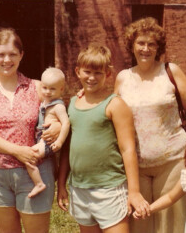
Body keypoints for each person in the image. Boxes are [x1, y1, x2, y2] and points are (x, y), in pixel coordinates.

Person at [114, 17, 186, 233]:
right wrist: (87, 94)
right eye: (141, 43)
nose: (145, 49)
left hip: (172, 160)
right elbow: (110, 113)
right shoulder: (123, 78)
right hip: (136, 167)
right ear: (132, 46)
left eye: (151, 44)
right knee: (139, 222)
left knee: (170, 225)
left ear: (158, 48)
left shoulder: (170, 71)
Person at [0, 28, 60, 233]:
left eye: (12, 54)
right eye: (0, 54)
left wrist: (58, 125)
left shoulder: (37, 88)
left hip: (36, 173)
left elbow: (60, 111)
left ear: (21, 56)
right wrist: (17, 151)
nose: (6, 60)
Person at [57, 45, 150, 233]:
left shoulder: (115, 105)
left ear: (107, 74)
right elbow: (67, 149)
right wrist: (61, 185)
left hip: (110, 189)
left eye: (98, 73)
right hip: (80, 188)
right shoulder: (73, 104)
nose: (91, 77)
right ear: (78, 72)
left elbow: (128, 149)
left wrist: (134, 191)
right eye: (87, 72)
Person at [26, 67, 70, 198]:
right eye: (45, 88)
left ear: (61, 89)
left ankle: (39, 183)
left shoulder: (58, 106)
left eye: (53, 89)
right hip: (42, 139)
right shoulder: (45, 102)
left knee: (28, 157)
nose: (48, 92)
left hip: (48, 142)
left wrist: (60, 141)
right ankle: (54, 171)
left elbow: (66, 123)